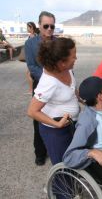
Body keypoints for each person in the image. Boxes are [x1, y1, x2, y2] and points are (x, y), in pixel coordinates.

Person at [27, 37, 79, 165]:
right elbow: (32, 111)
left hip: (71, 125)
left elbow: (72, 90)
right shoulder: (48, 83)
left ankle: (71, 183)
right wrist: (56, 124)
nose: (76, 58)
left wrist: (86, 100)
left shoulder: (67, 69)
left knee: (73, 160)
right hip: (55, 132)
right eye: (73, 56)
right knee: (62, 165)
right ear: (62, 62)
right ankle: (59, 185)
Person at [25, 11, 57, 165]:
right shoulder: (30, 44)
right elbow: (31, 66)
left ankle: (56, 148)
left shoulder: (58, 43)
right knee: (38, 119)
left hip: (58, 85)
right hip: (41, 85)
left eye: (52, 26)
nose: (49, 29)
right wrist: (48, 79)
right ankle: (40, 152)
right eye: (46, 26)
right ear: (39, 26)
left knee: (56, 117)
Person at [24, 22, 40, 93]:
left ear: (31, 28)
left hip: (32, 59)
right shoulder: (36, 35)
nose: (27, 29)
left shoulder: (32, 36)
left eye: (27, 27)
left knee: (29, 74)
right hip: (35, 58)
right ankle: (32, 89)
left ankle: (31, 89)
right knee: (30, 74)